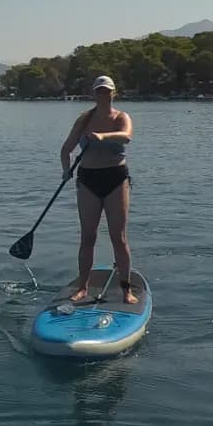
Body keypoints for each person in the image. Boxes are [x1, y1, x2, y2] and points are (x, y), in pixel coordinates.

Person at [59, 74, 135, 304]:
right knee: (88, 237)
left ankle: (126, 290)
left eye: (107, 90)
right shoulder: (84, 119)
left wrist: (102, 136)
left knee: (118, 238)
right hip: (88, 180)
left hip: (115, 179)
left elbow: (126, 137)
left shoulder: (121, 117)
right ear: (94, 93)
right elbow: (66, 150)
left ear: (114, 93)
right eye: (99, 91)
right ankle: (83, 287)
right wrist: (66, 171)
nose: (103, 94)